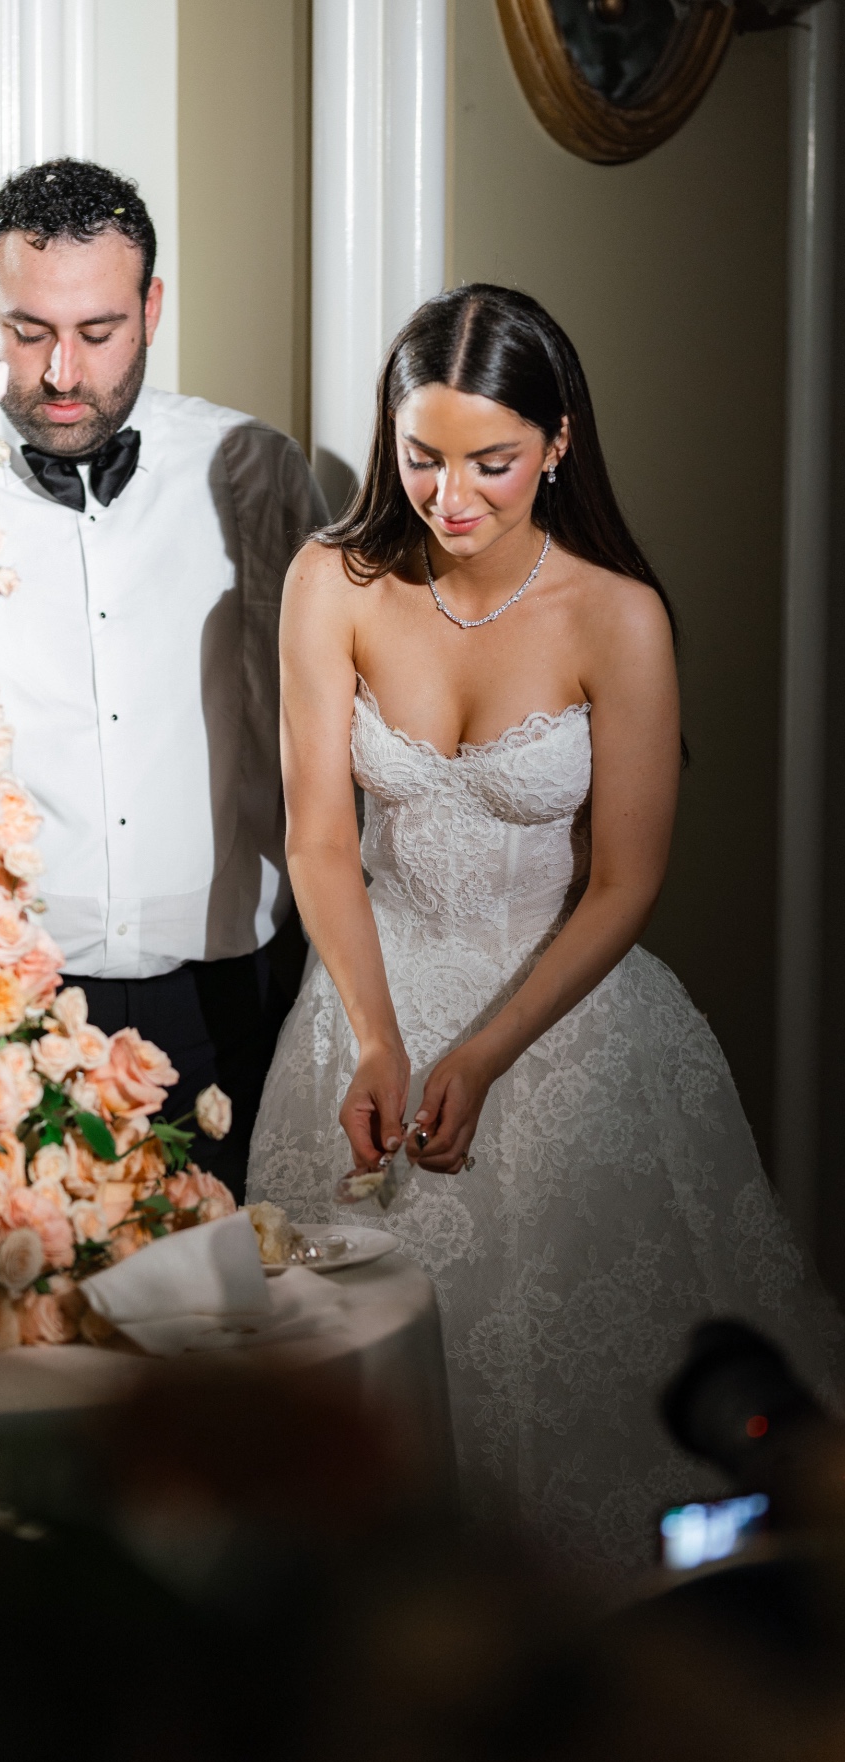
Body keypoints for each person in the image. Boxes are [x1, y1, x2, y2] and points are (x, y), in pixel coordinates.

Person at [246, 284, 838, 1579]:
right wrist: (382, 1034)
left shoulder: (617, 615)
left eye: (489, 464)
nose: (449, 499)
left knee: (594, 1439)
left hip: (564, 1017)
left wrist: (483, 1054)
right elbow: (320, 842)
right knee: (348, 1456)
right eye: (420, 456)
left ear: (558, 442)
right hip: (364, 1005)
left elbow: (626, 880)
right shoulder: (331, 582)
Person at [0, 160, 326, 1195]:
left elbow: (321, 725)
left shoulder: (255, 467)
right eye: (26, 330)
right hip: (10, 1012)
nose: (60, 375)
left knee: (231, 1333)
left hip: (225, 1002)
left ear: (153, 308)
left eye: (98, 332)